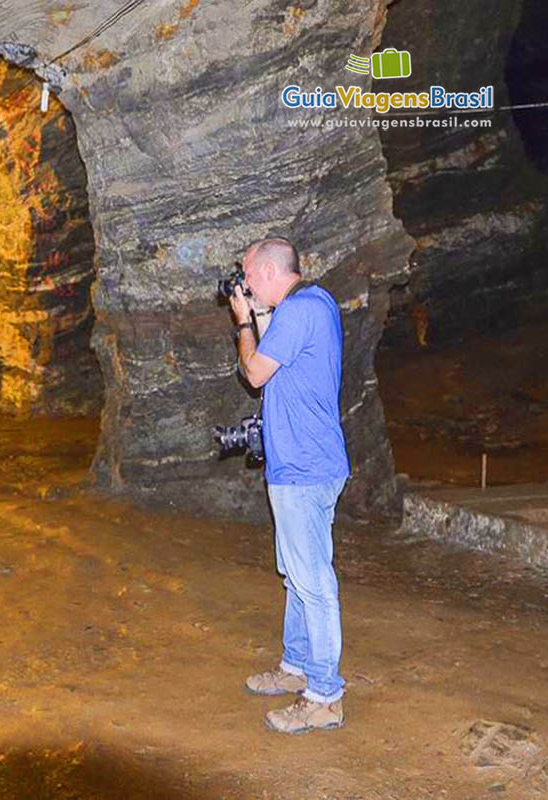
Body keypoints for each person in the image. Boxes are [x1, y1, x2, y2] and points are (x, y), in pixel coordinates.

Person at [227, 237, 351, 734]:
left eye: (249, 276)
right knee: (297, 575)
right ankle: (296, 665)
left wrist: (241, 322)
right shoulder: (308, 306)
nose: (245, 284)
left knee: (314, 583)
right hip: (301, 465)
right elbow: (277, 355)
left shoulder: (301, 311)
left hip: (305, 468)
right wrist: (258, 313)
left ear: (271, 271)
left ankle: (324, 696)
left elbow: (255, 372)